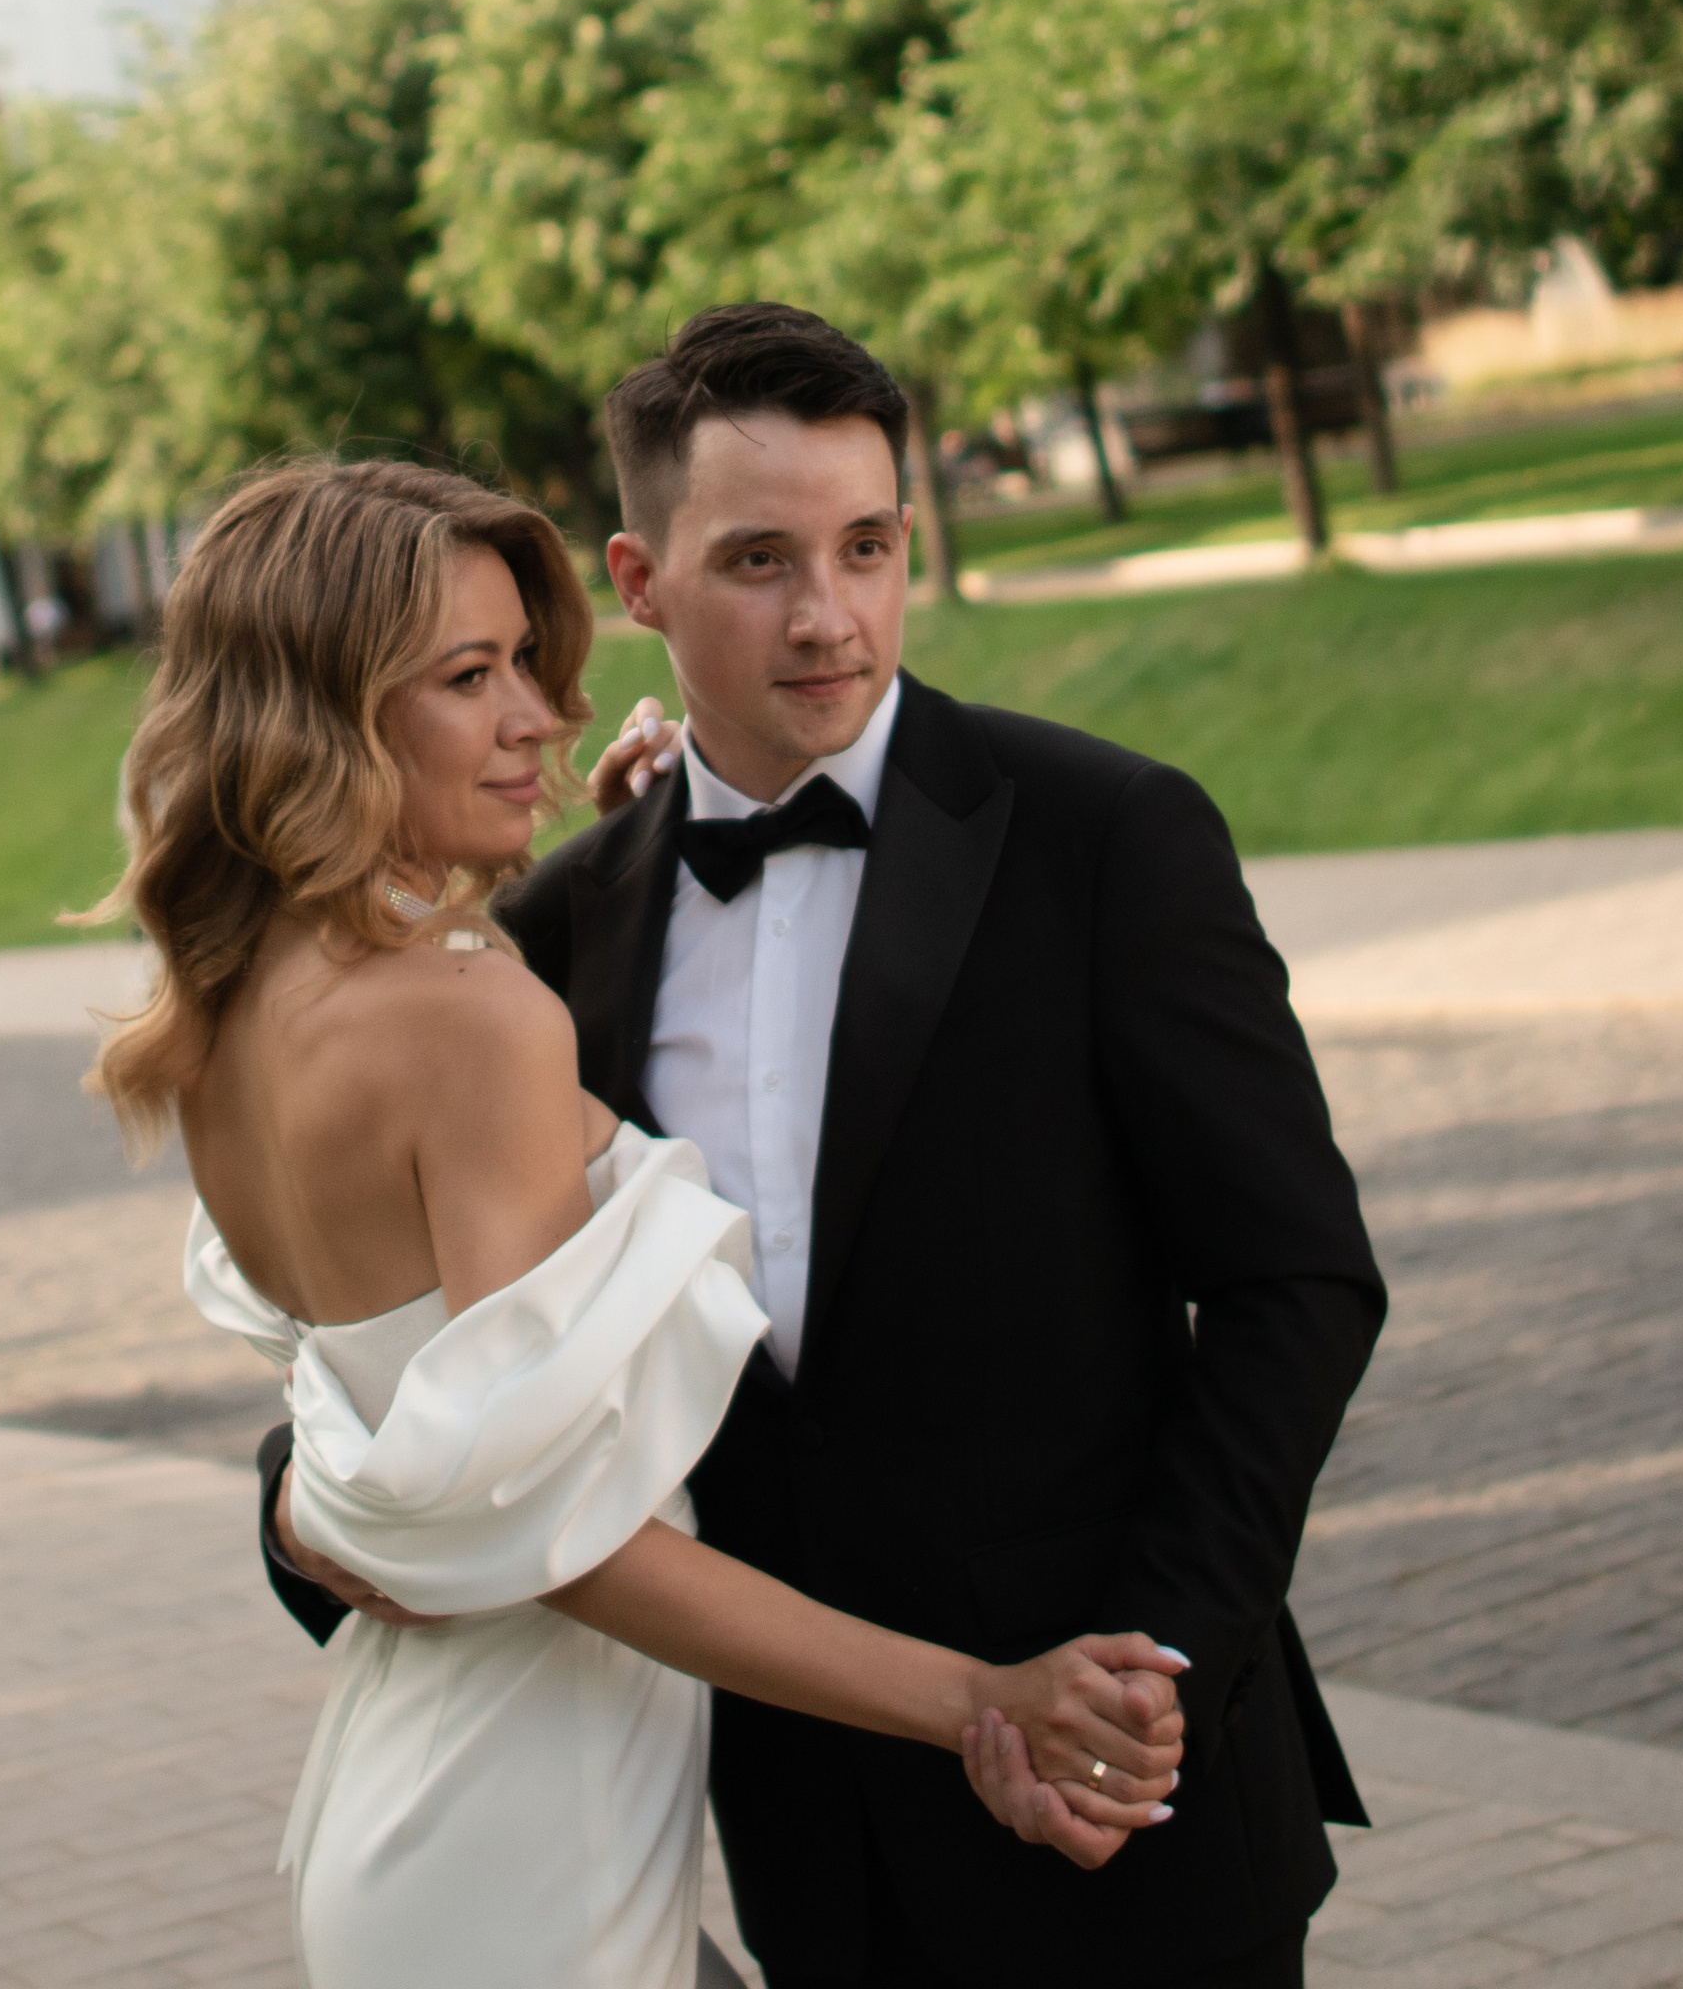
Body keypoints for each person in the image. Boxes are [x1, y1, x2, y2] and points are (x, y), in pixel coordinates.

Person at [263, 308, 1386, 1989]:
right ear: (639, 584)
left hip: (1119, 1805)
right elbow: (410, 1354)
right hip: (797, 1829)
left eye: (867, 549)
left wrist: (1156, 1663)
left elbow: (1298, 1279)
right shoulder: (550, 941)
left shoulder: (1106, 838)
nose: (826, 617)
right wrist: (301, 1514)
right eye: (760, 560)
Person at [90, 455, 1188, 1989]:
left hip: (419, 1786)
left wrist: (626, 870)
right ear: (325, 716)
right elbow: (573, 1542)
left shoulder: (226, 1017)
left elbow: (384, 1392)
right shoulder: (476, 1025)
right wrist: (974, 1698)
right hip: (535, 1817)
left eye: (529, 665)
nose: (537, 718)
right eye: (470, 678)